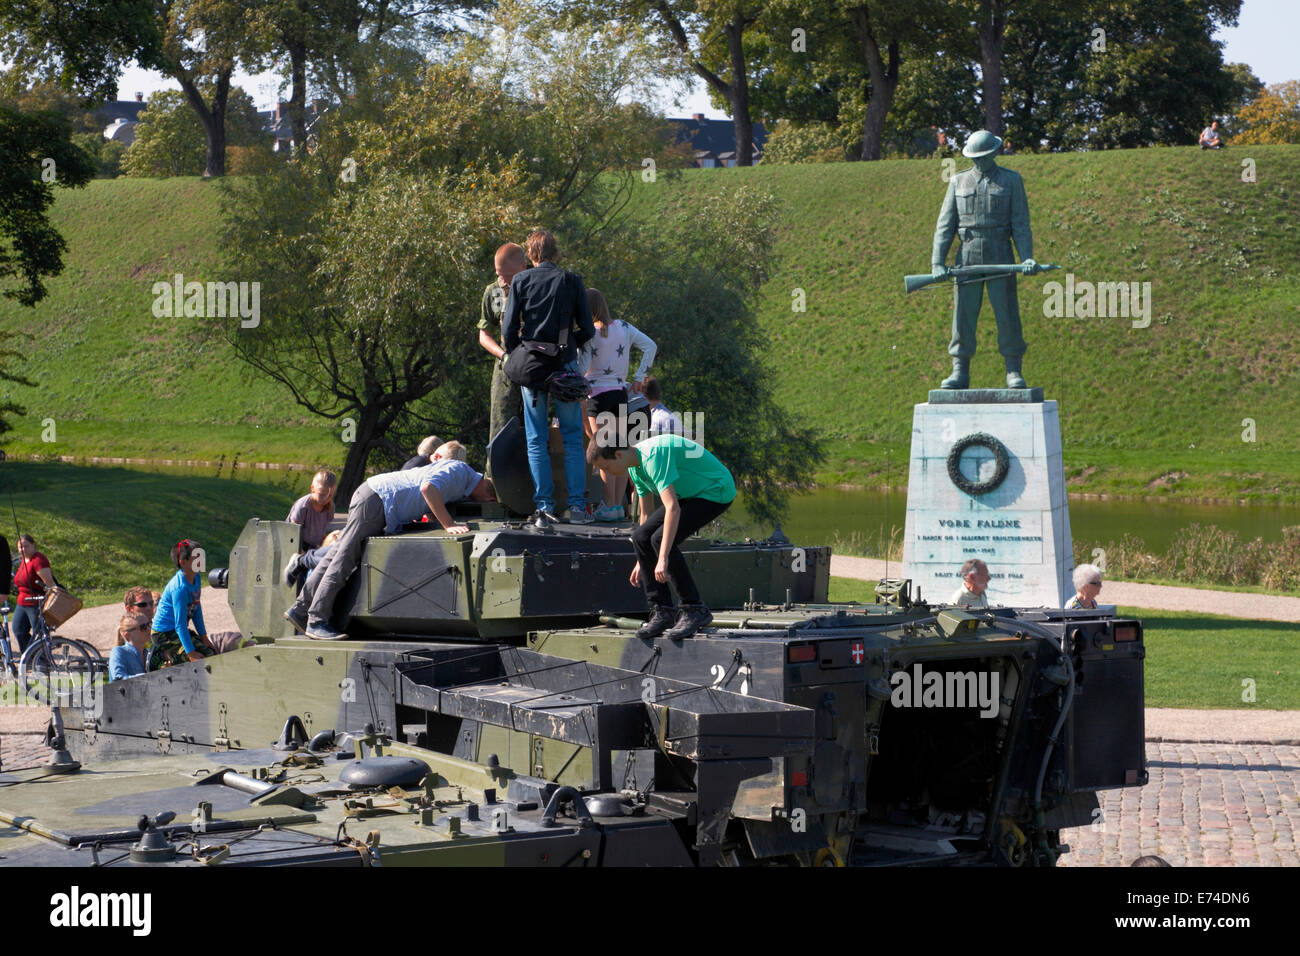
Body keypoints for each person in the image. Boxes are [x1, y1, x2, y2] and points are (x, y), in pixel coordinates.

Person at [285, 458, 497, 641]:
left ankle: (300, 609)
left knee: (335, 555)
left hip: (376, 499)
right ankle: (317, 620)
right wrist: (448, 524)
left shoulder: (462, 476)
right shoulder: (460, 473)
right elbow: (427, 489)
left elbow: (430, 493)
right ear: (490, 496)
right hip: (377, 500)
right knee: (344, 559)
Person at [588, 433, 736, 640]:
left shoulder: (653, 457)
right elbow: (645, 517)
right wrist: (643, 560)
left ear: (618, 455)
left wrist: (662, 557)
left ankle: (694, 609)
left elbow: (672, 508)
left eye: (605, 467)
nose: (606, 473)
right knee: (640, 536)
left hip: (715, 490)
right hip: (690, 493)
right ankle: (663, 611)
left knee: (660, 540)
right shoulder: (634, 467)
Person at [931, 129, 1039, 390]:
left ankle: (1013, 369)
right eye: (975, 157)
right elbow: (945, 225)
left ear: (994, 153)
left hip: (1000, 252)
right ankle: (960, 371)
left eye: (984, 156)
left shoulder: (1012, 181)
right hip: (967, 255)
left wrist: (1027, 258)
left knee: (1007, 313)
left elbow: (1021, 224)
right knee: (963, 316)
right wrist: (937, 262)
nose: (979, 161)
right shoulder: (958, 182)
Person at [502, 229, 596, 522]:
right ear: (556, 253)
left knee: (536, 439)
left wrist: (521, 353)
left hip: (531, 370)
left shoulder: (520, 280)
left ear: (531, 255)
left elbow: (507, 329)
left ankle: (543, 507)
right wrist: (569, 348)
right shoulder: (571, 280)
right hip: (564, 367)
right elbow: (589, 329)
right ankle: (577, 507)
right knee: (571, 438)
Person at [582, 288, 657, 522]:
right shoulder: (624, 327)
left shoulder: (587, 333)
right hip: (619, 393)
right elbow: (650, 346)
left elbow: (581, 366)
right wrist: (638, 376)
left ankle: (609, 504)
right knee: (619, 449)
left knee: (601, 450)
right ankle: (617, 505)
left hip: (595, 395)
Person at [479, 243, 528, 447]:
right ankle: (495, 477)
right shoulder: (493, 292)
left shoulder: (537, 288)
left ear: (523, 267)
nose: (503, 280)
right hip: (505, 368)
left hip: (533, 365)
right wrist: (503, 356)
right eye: (499, 274)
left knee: (535, 427)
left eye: (507, 274)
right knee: (500, 428)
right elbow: (484, 335)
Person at [149, 538, 216, 669]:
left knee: (211, 652)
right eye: (197, 557)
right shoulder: (179, 588)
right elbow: (180, 624)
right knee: (202, 659)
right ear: (183, 562)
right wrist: (190, 653)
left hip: (176, 630)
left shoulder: (196, 578)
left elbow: (196, 608)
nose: (201, 560)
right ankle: (164, 659)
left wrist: (203, 636)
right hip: (163, 634)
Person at [12, 533, 55, 655]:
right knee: (18, 630)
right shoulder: (24, 560)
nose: (23, 549)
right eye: (20, 547)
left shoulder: (39, 560)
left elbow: (50, 584)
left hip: (36, 603)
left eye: (26, 546)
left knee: (38, 634)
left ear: (33, 545)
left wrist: (47, 604)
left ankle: (42, 662)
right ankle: (29, 657)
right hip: (22, 603)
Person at [287, 469, 337, 552]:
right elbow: (293, 533)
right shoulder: (303, 506)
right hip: (295, 544)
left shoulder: (330, 507)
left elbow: (323, 529)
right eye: (322, 494)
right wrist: (301, 554)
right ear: (313, 488)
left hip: (314, 546)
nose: (325, 498)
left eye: (330, 495)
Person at [109, 611, 151, 680]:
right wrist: (148, 677)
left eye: (149, 624)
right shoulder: (118, 651)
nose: (149, 629)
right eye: (143, 627)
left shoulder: (148, 653)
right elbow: (118, 679)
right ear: (127, 635)